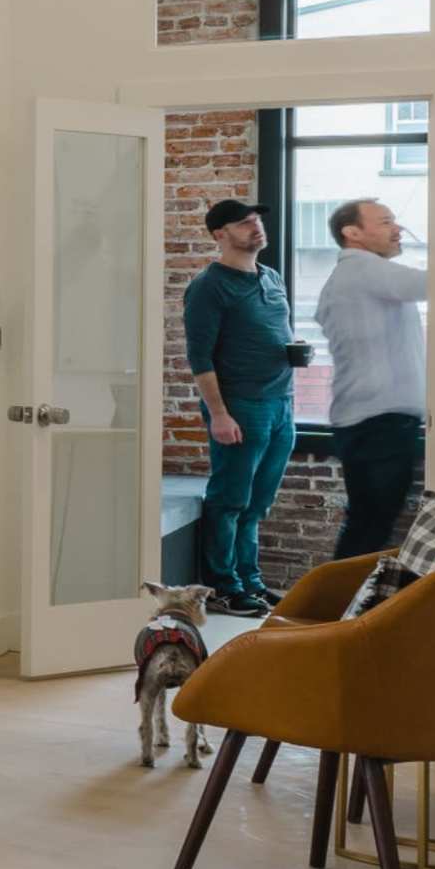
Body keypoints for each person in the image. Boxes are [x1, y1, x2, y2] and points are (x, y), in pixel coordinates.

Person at [182, 197, 303, 617]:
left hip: (281, 403)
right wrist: (218, 413)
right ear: (220, 235)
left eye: (256, 220)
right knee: (229, 500)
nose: (256, 228)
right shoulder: (208, 286)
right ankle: (223, 587)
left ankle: (250, 580)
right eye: (244, 223)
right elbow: (200, 357)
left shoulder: (271, 277)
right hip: (240, 406)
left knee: (256, 504)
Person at [314, 195, 428, 560]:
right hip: (378, 423)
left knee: (369, 524)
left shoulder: (356, 274)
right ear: (353, 233)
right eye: (386, 222)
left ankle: (339, 611)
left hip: (371, 421)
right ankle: (336, 612)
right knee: (370, 527)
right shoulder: (362, 268)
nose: (398, 231)